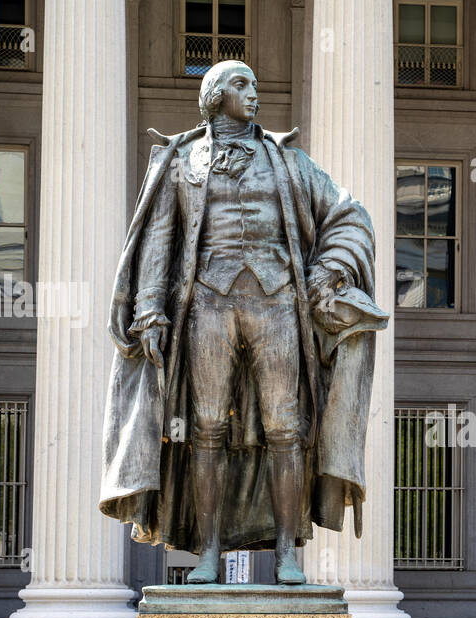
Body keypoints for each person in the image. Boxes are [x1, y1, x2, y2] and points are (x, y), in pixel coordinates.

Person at [99, 60, 387, 585]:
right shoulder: (180, 161)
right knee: (206, 429)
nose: (255, 93)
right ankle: (206, 553)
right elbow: (159, 239)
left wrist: (326, 272)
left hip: (278, 304)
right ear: (213, 95)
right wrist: (148, 309)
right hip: (206, 304)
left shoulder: (290, 162)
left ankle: (286, 553)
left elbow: (348, 212)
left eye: (256, 84)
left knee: (285, 428)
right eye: (242, 85)